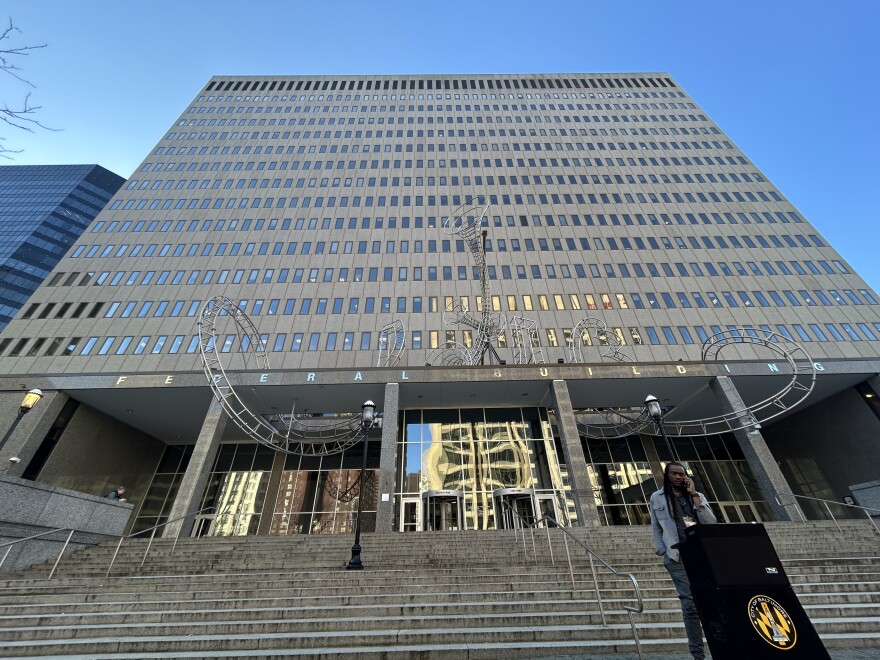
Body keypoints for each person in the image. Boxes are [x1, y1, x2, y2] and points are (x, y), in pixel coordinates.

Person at [649, 462, 716, 660]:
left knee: (710, 602)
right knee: (690, 604)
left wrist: (695, 495)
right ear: (667, 475)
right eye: (674, 473)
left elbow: (710, 522)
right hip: (677, 556)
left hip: (702, 554)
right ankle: (697, 653)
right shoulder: (657, 497)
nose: (679, 477)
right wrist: (663, 549)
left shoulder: (697, 497)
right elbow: (656, 525)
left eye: (682, 474)